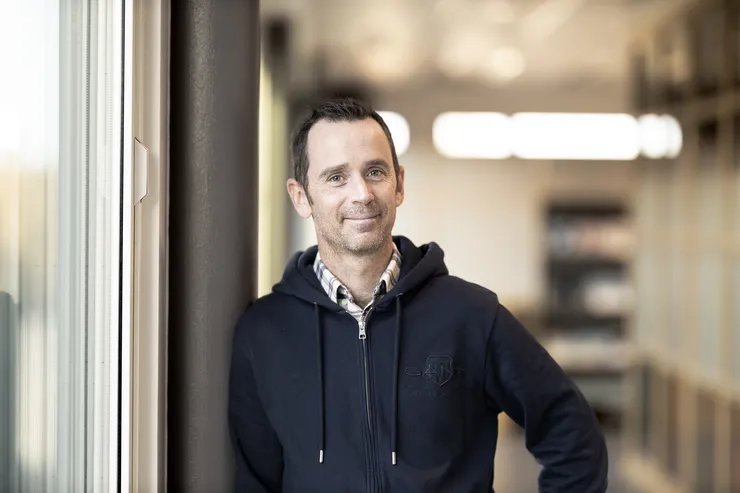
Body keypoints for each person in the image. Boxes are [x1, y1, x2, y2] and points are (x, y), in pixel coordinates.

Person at [228, 98, 609, 492]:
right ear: (301, 197)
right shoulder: (263, 333)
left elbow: (572, 434)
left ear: (399, 185)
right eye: (336, 177)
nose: (361, 193)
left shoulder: (472, 316)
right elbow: (255, 481)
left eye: (374, 171)